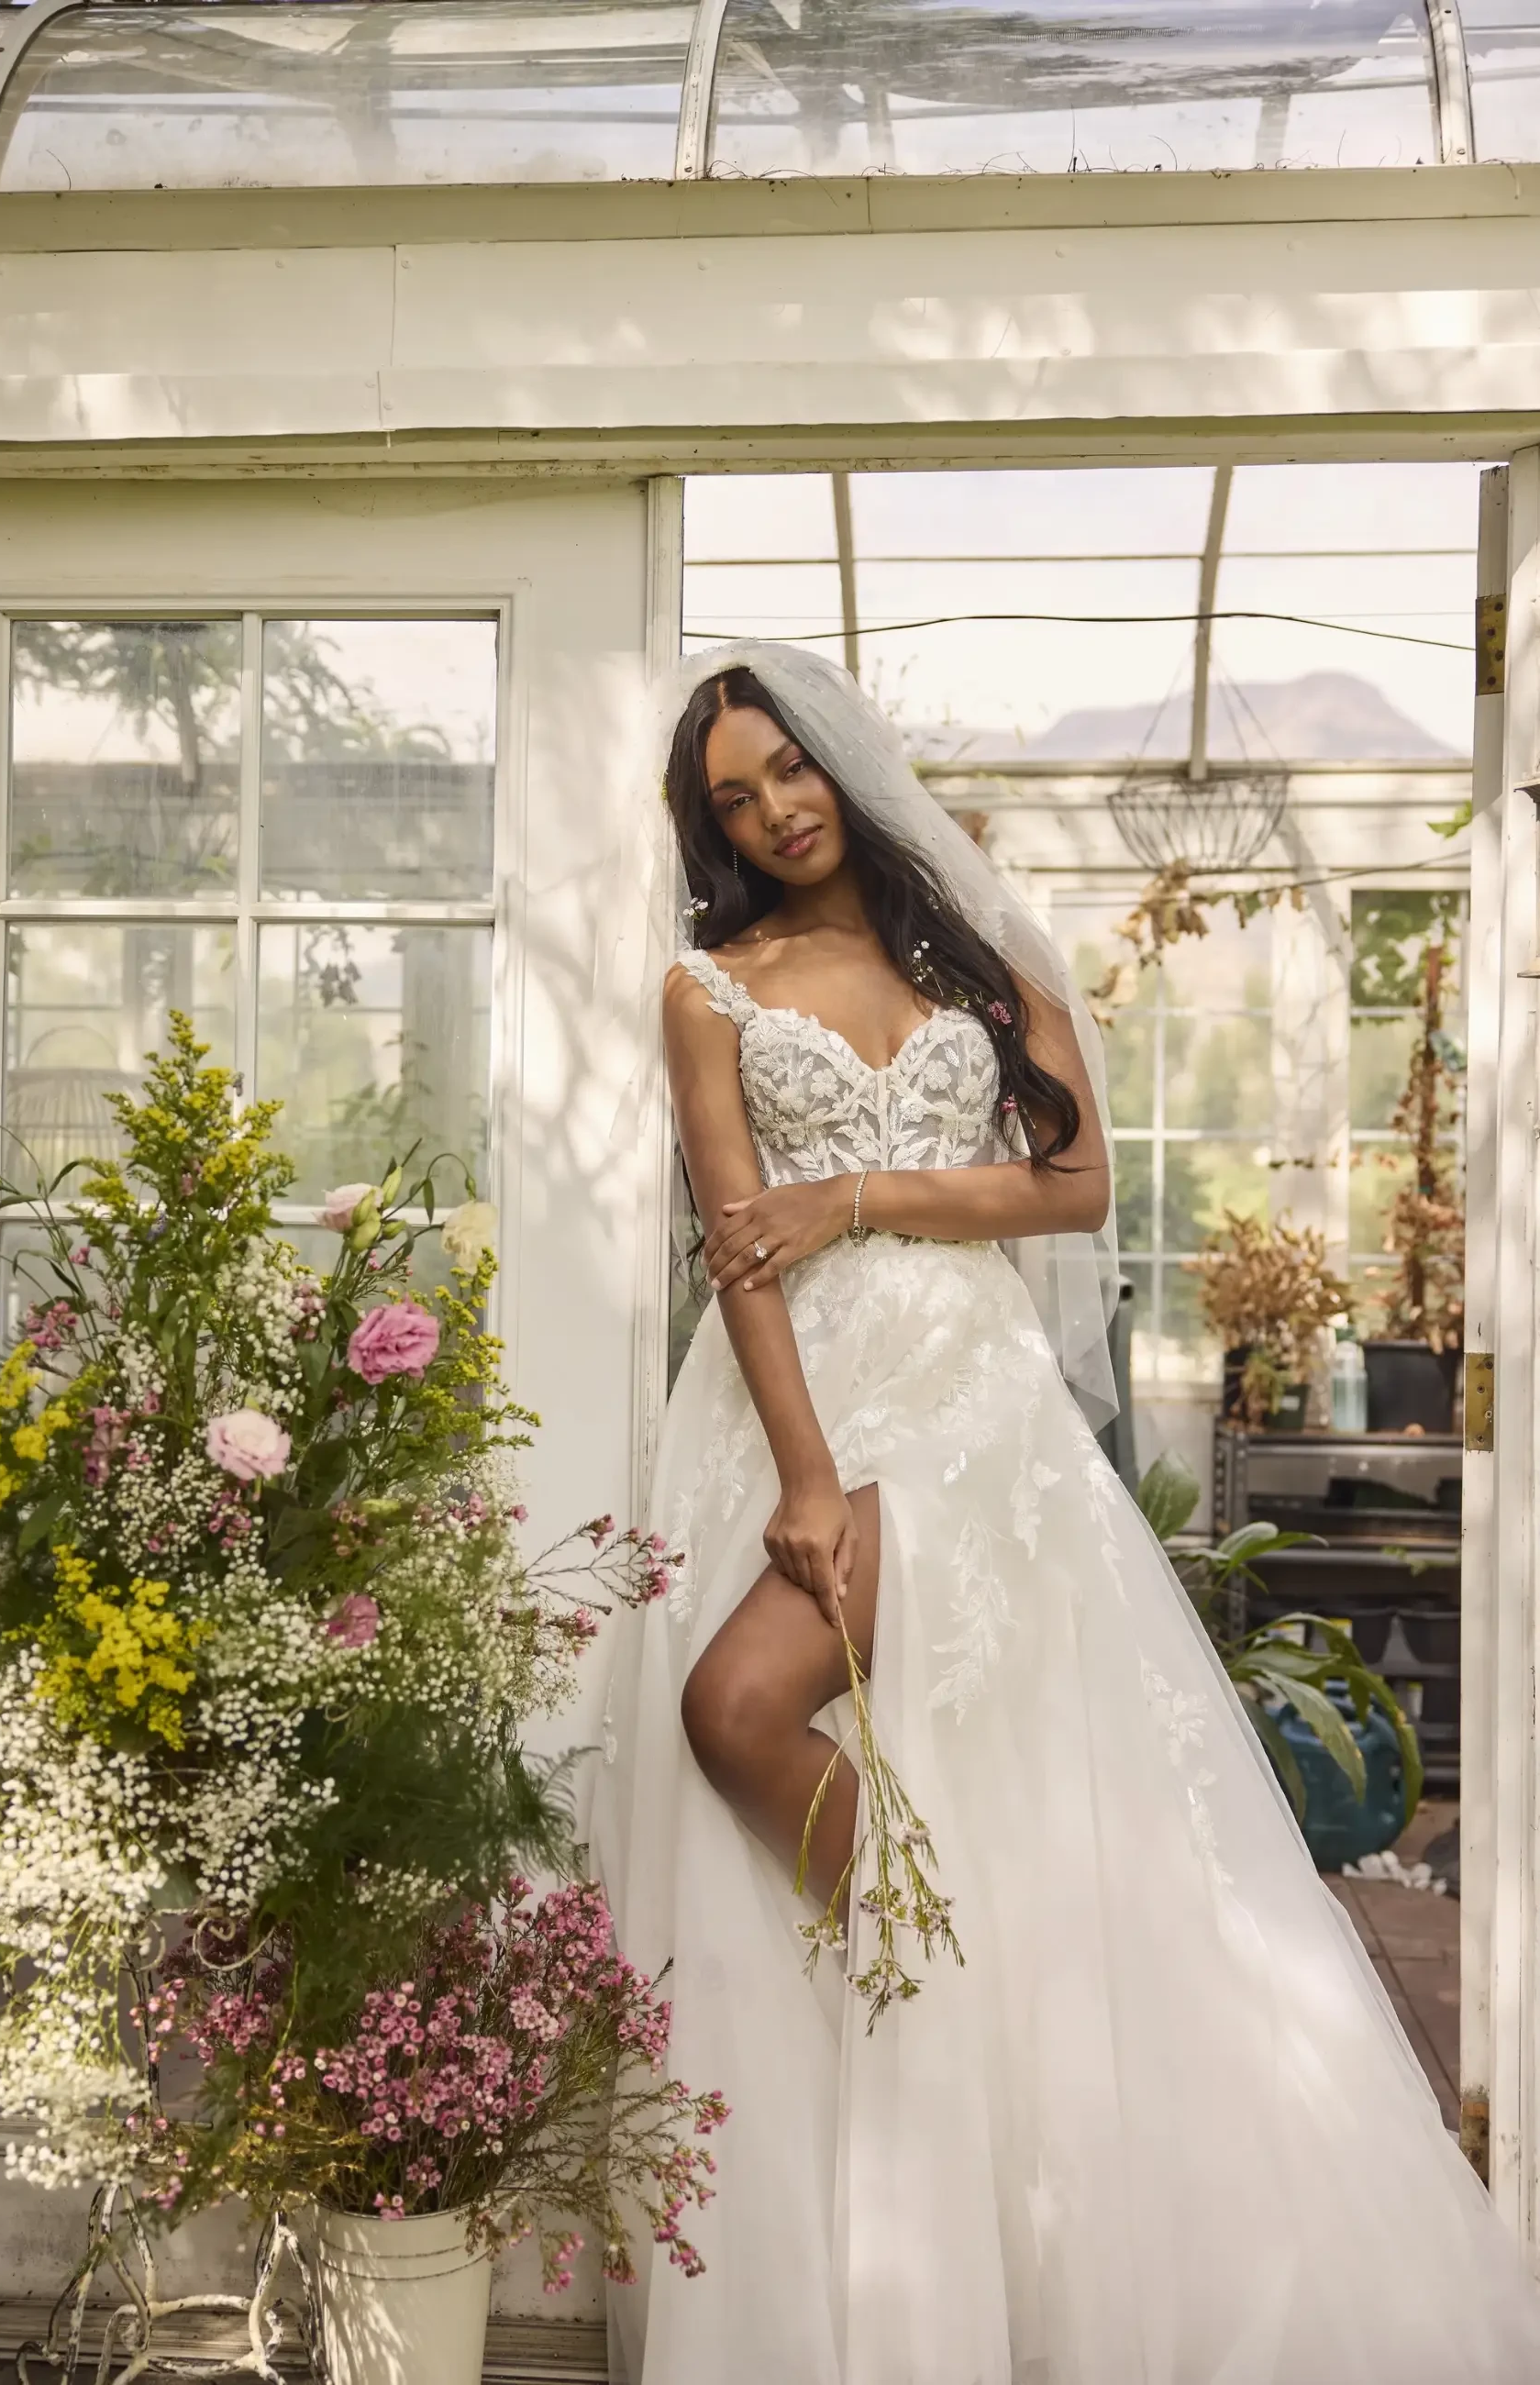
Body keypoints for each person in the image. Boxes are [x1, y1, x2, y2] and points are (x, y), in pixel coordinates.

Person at [590, 643, 1540, 2385]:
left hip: (976, 1407)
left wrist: (861, 1192)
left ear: (839, 762)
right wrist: (806, 1475)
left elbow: (1076, 1180)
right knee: (736, 1713)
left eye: (788, 770)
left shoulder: (984, 950)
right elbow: (741, 1249)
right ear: (709, 827)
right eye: (734, 797)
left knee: (1021, 1753)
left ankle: (1008, 2102)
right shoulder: (707, 987)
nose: (775, 810)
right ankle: (934, 1976)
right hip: (800, 1405)